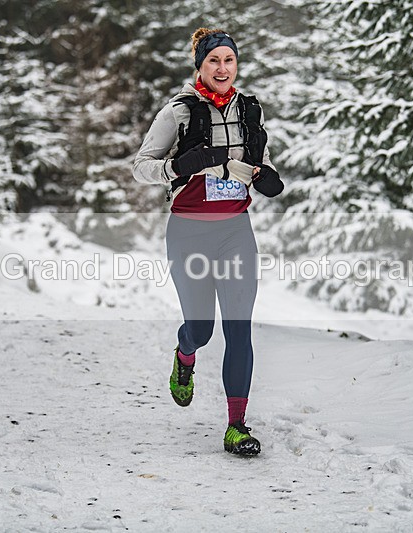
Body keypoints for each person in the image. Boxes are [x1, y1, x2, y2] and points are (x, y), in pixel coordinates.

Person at [132, 27, 283, 455]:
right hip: (189, 231)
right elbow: (140, 167)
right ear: (199, 64)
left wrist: (267, 177)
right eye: (213, 60)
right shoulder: (178, 112)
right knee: (201, 328)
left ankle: (237, 426)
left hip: (236, 230)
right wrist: (178, 166)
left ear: (237, 65)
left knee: (239, 329)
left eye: (229, 61)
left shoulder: (250, 111)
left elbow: (263, 163)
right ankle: (185, 356)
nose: (222, 68)